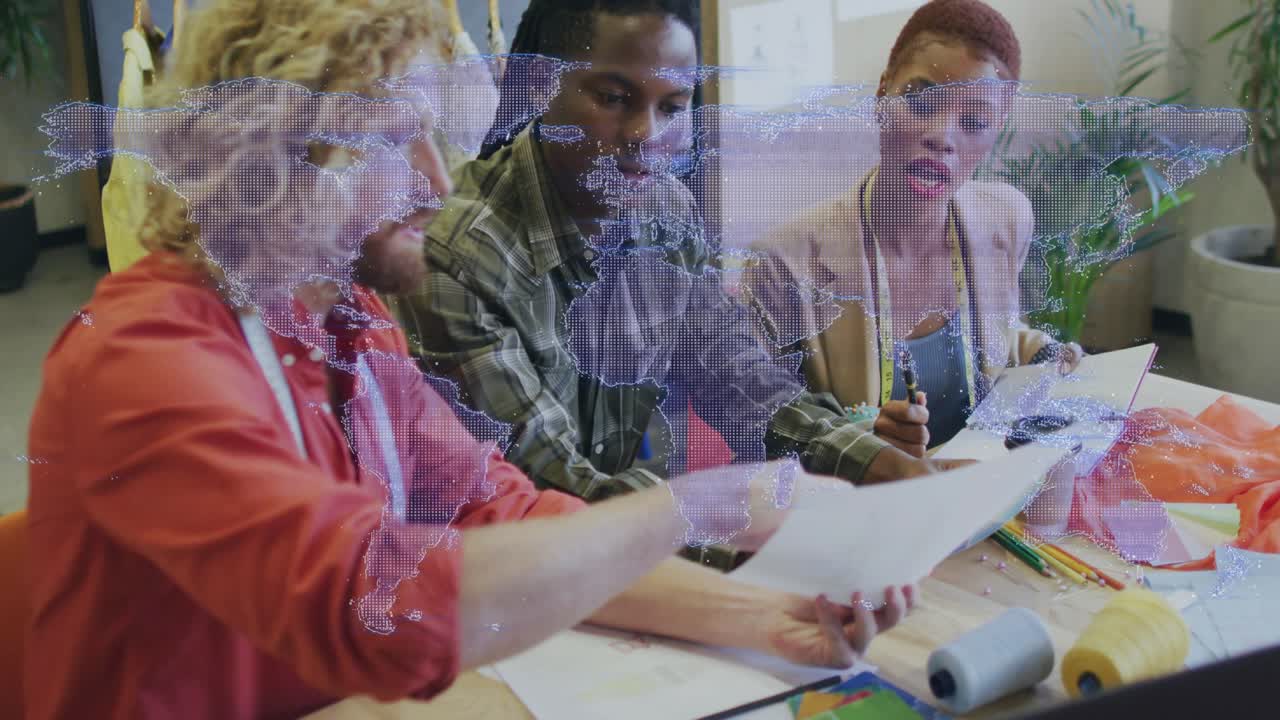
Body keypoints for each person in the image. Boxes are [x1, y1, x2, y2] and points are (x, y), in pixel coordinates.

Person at [25, 2, 914, 718]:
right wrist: (693, 507)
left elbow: (506, 512)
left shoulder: (346, 323)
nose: (438, 180)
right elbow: (368, 603)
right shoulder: (143, 358)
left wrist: (769, 620)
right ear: (274, 155)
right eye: (391, 140)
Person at [394, 0, 956, 572]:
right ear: (541, 86)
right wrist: (754, 538)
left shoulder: (665, 212)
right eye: (613, 98)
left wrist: (884, 468)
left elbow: (742, 380)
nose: (645, 135)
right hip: (493, 587)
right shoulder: (451, 254)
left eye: (673, 107)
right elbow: (550, 483)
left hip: (629, 561)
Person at [743, 0, 1083, 457]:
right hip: (855, 515)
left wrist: (1043, 352)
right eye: (921, 100)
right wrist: (858, 447)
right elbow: (754, 419)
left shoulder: (1005, 219)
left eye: (975, 122)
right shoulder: (784, 261)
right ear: (882, 94)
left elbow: (999, 336)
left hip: (984, 497)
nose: (943, 136)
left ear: (997, 130)